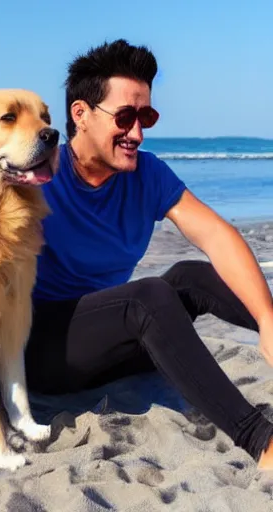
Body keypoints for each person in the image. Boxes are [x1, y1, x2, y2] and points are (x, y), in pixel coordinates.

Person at [24, 39, 273, 469]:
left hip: (109, 344)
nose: (137, 133)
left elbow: (217, 235)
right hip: (41, 353)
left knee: (189, 276)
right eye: (125, 117)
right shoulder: (37, 177)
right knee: (150, 297)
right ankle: (261, 442)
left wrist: (267, 320)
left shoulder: (147, 174)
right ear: (80, 114)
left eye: (146, 117)